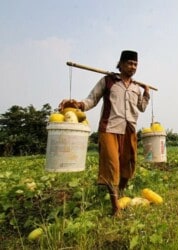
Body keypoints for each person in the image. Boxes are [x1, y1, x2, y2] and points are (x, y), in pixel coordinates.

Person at [59, 50, 150, 216]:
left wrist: (146, 94)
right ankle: (115, 206)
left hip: (129, 129)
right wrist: (78, 104)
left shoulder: (137, 88)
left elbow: (142, 108)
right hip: (109, 129)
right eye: (129, 63)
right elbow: (92, 99)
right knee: (111, 166)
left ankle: (119, 192)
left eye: (135, 64)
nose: (133, 67)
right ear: (121, 64)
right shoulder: (108, 81)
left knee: (128, 166)